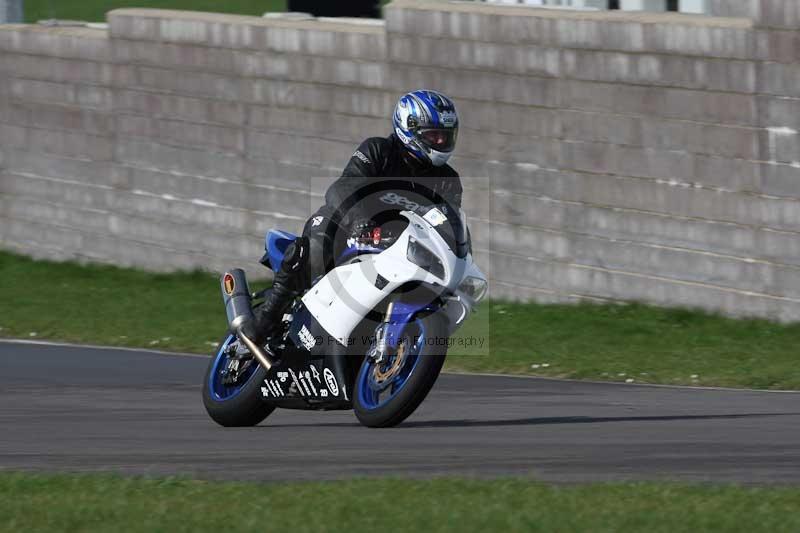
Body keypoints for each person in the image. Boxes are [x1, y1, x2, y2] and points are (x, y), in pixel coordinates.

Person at [244, 89, 463, 345]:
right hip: (347, 227)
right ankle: (264, 322)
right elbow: (342, 188)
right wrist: (360, 221)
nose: (440, 143)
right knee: (313, 248)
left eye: (445, 137)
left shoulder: (448, 181)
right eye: (433, 136)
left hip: (396, 247)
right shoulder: (378, 150)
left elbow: (447, 224)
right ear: (409, 128)